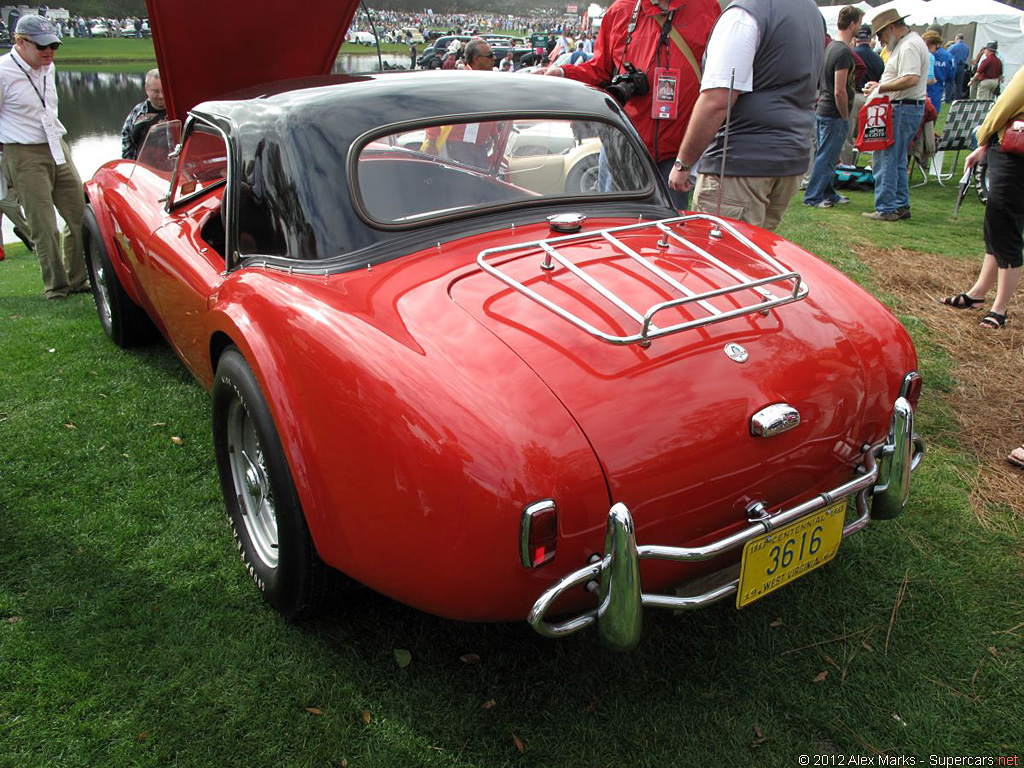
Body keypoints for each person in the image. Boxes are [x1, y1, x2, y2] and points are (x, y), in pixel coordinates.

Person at [541, 0, 720, 210]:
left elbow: (717, 79)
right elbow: (600, 70)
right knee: (615, 224)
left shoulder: (707, 9)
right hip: (622, 147)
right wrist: (563, 73)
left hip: (675, 155)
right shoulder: (620, 11)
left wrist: (688, 159)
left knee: (666, 233)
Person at [667, 0, 825, 230]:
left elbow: (717, 100)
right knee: (754, 257)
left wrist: (683, 164)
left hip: (739, 162)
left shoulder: (745, 13)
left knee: (719, 257)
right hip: (791, 156)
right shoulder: (810, 9)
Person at [0, 15, 88, 300]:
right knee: (44, 224)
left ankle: (79, 279)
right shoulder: (3, 72)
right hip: (22, 152)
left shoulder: (48, 68)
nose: (48, 51)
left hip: (56, 144)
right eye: (41, 46)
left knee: (78, 213)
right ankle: (57, 286)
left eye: (53, 45)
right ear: (20, 42)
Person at [940, 66, 1024, 330]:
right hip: (1009, 151)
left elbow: (1003, 108)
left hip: (1014, 156)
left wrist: (983, 137)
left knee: (1004, 227)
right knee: (997, 226)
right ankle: (978, 294)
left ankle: (999, 309)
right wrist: (985, 146)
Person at [860, 8, 928, 222]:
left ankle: (886, 207)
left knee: (887, 157)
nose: (880, 40)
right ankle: (899, 204)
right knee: (896, 159)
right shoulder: (911, 42)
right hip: (906, 107)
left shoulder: (908, 46)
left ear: (891, 28)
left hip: (902, 108)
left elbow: (910, 78)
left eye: (880, 35)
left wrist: (881, 89)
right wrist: (881, 86)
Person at [804, 6, 862, 209]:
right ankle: (813, 196)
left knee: (827, 155)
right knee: (827, 156)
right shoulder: (843, 51)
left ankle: (828, 192)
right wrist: (845, 116)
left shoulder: (831, 47)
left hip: (824, 109)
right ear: (852, 24)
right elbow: (840, 89)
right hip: (833, 112)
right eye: (859, 23)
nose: (860, 27)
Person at [120, 68, 165, 160]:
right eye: (156, 91)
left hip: (169, 171)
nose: (161, 96)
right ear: (147, 89)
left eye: (164, 91)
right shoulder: (137, 112)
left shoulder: (178, 112)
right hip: (143, 169)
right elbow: (127, 139)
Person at [922, 32, 952, 114]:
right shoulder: (947, 56)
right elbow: (950, 75)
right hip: (936, 91)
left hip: (925, 91)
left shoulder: (923, 55)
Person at [948, 33, 969, 101]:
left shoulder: (953, 47)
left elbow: (947, 56)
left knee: (949, 82)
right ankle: (957, 98)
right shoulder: (967, 48)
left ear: (956, 38)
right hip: (962, 66)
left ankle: (948, 97)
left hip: (953, 66)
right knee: (959, 84)